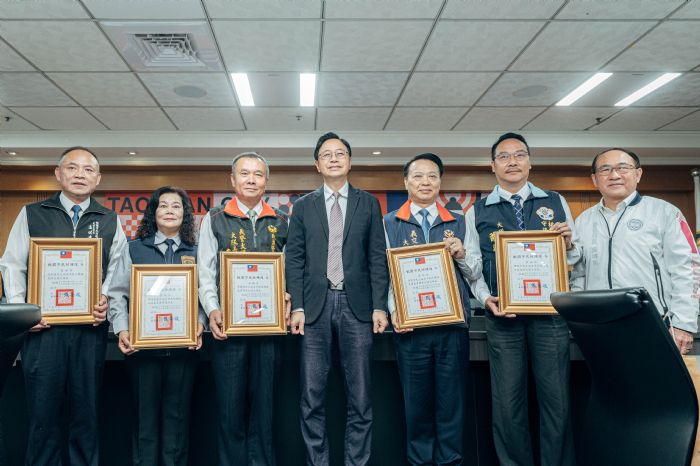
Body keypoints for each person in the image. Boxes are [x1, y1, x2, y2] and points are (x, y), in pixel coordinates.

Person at [0, 147, 127, 466]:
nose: (80, 174)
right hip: (43, 332)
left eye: (88, 169)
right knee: (43, 415)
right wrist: (23, 313)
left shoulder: (110, 219)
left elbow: (117, 270)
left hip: (88, 333)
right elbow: (12, 264)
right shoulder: (32, 213)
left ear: (98, 178)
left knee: (86, 415)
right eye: (72, 168)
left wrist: (104, 299)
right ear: (58, 174)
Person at [465, 132, 577, 466]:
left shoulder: (555, 201)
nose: (512, 162)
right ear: (493, 165)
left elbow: (575, 258)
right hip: (503, 317)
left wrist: (569, 244)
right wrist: (485, 298)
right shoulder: (477, 211)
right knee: (507, 403)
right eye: (504, 156)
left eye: (519, 155)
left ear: (529, 161)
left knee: (557, 402)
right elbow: (472, 266)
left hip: (550, 317)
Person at [286, 132, 389, 465]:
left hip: (357, 306)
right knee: (311, 397)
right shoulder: (303, 206)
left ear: (350, 161)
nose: (333, 158)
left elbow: (377, 258)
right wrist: (297, 305)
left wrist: (379, 305)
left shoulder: (368, 203)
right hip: (313, 309)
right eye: (326, 154)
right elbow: (294, 260)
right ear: (317, 164)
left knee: (361, 396)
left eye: (340, 153)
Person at [384, 153, 481, 465]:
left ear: (440, 182)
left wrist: (462, 254)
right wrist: (393, 310)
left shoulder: (460, 220)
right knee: (417, 406)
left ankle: (450, 461)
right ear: (406, 182)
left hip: (452, 326)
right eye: (418, 176)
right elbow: (385, 275)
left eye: (432, 176)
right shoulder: (389, 222)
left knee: (452, 403)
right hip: (411, 328)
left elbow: (476, 271)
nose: (425, 182)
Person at [198, 152, 289, 465]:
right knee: (229, 409)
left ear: (266, 181)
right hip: (229, 329)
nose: (251, 180)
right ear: (233, 180)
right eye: (245, 173)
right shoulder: (214, 219)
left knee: (266, 410)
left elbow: (290, 269)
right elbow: (205, 272)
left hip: (269, 330)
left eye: (258, 174)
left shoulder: (281, 220)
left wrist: (287, 296)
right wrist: (212, 309)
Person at [108, 186, 206, 466]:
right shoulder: (134, 249)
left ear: (185, 214)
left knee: (177, 420)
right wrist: (123, 329)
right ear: (154, 212)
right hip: (142, 350)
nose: (170, 211)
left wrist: (200, 324)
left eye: (177, 206)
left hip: (183, 350)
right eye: (164, 205)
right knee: (144, 421)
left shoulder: (197, 251)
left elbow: (205, 294)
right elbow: (117, 293)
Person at [571, 148, 700, 354]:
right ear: (595, 179)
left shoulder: (664, 212)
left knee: (655, 375)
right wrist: (579, 318)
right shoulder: (584, 220)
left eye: (623, 168)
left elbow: (688, 269)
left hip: (655, 322)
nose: (614, 175)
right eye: (605, 169)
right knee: (606, 375)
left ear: (638, 174)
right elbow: (579, 275)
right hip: (598, 325)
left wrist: (683, 323)